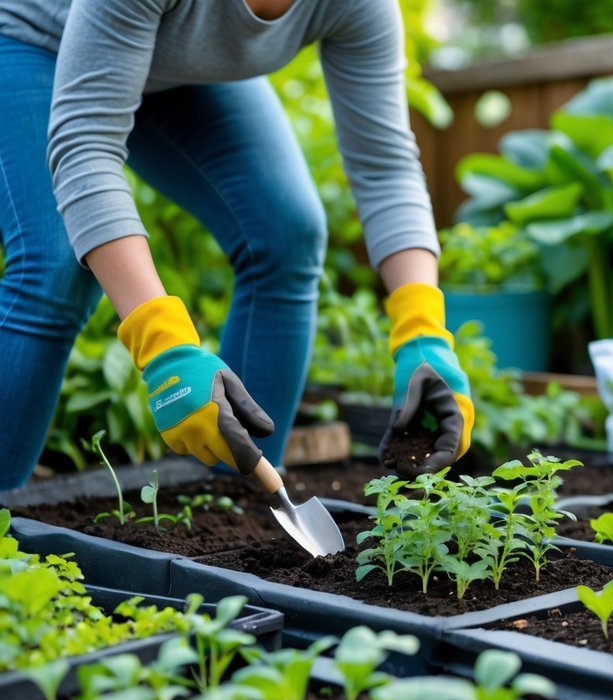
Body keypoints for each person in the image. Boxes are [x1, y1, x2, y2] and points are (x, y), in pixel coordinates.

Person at [0, 0, 474, 491]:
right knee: (56, 263)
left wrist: (424, 335)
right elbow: (86, 143)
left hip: (183, 72)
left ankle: (248, 497)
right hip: (34, 41)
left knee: (286, 231)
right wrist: (163, 346)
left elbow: (386, 167)